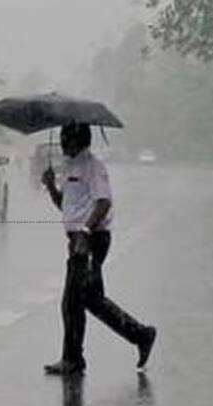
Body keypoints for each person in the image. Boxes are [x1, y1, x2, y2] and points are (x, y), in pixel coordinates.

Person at [41, 122, 157, 375]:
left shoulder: (93, 167)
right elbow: (69, 207)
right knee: (91, 300)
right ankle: (141, 334)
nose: (61, 142)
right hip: (78, 239)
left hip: (90, 240)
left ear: (78, 139)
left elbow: (103, 202)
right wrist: (51, 187)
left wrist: (84, 231)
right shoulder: (71, 167)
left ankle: (72, 359)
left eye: (65, 136)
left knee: (72, 301)